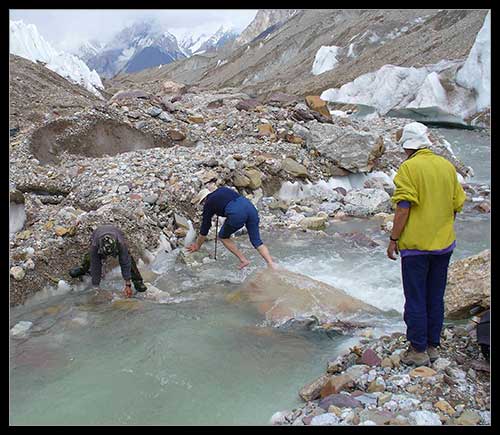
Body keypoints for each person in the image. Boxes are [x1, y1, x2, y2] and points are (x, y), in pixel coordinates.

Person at [387, 122, 466, 366]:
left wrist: (393, 239)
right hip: (444, 245)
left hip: (416, 247)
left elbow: (403, 208)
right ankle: (433, 346)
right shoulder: (446, 166)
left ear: (408, 147)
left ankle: (417, 350)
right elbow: (457, 205)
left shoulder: (409, 168)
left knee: (416, 297)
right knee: (435, 295)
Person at [187, 186, 276, 269]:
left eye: (202, 203)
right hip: (250, 208)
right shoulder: (222, 190)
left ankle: (243, 260)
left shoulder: (208, 203)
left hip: (237, 213)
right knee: (256, 241)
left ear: (204, 200)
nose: (203, 204)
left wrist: (197, 245)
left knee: (223, 236)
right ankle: (271, 264)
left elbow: (205, 228)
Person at [69, 225, 147, 298]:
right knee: (91, 258)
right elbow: (96, 266)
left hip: (115, 232)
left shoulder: (120, 243)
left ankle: (137, 281)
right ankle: (84, 268)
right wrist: (96, 289)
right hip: (97, 233)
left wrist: (128, 285)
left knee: (128, 258)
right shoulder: (95, 245)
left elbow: (125, 263)